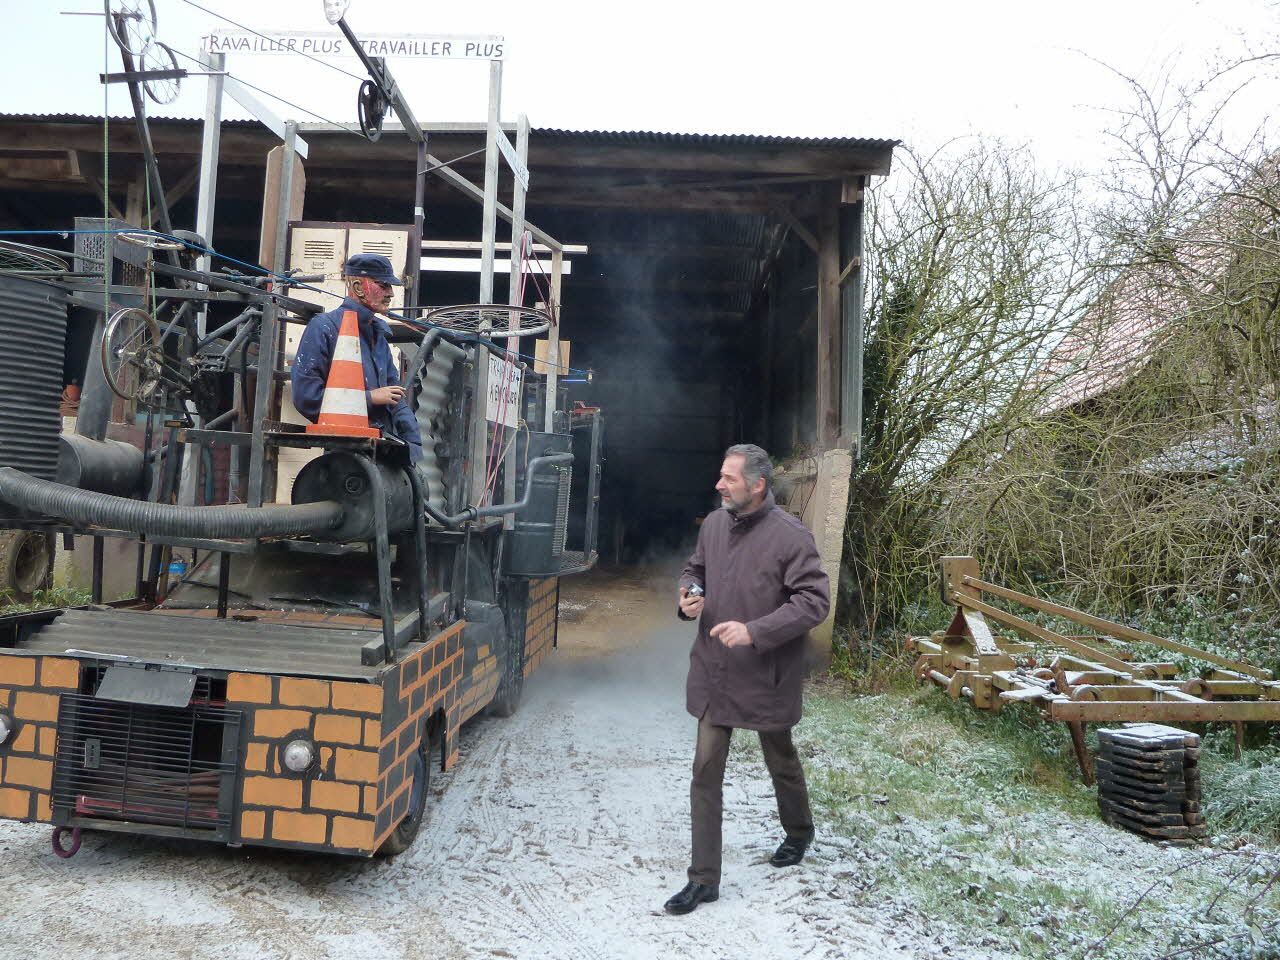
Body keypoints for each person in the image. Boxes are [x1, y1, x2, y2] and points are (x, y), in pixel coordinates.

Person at [664, 443, 831, 916]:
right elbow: (695, 570)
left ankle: (799, 833)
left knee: (780, 757)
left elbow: (813, 602)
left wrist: (755, 631)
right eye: (721, 475)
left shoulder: (791, 536)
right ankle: (703, 880)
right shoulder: (714, 524)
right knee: (704, 771)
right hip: (716, 671)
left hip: (766, 673)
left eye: (730, 478)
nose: (719, 484)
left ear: (757, 485)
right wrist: (689, 596)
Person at [290, 253, 422, 462]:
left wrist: (413, 444)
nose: (390, 294)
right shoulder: (324, 328)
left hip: (383, 451)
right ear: (359, 287)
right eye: (383, 285)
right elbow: (307, 397)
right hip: (347, 457)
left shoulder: (377, 334)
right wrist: (370, 398)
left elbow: (395, 396)